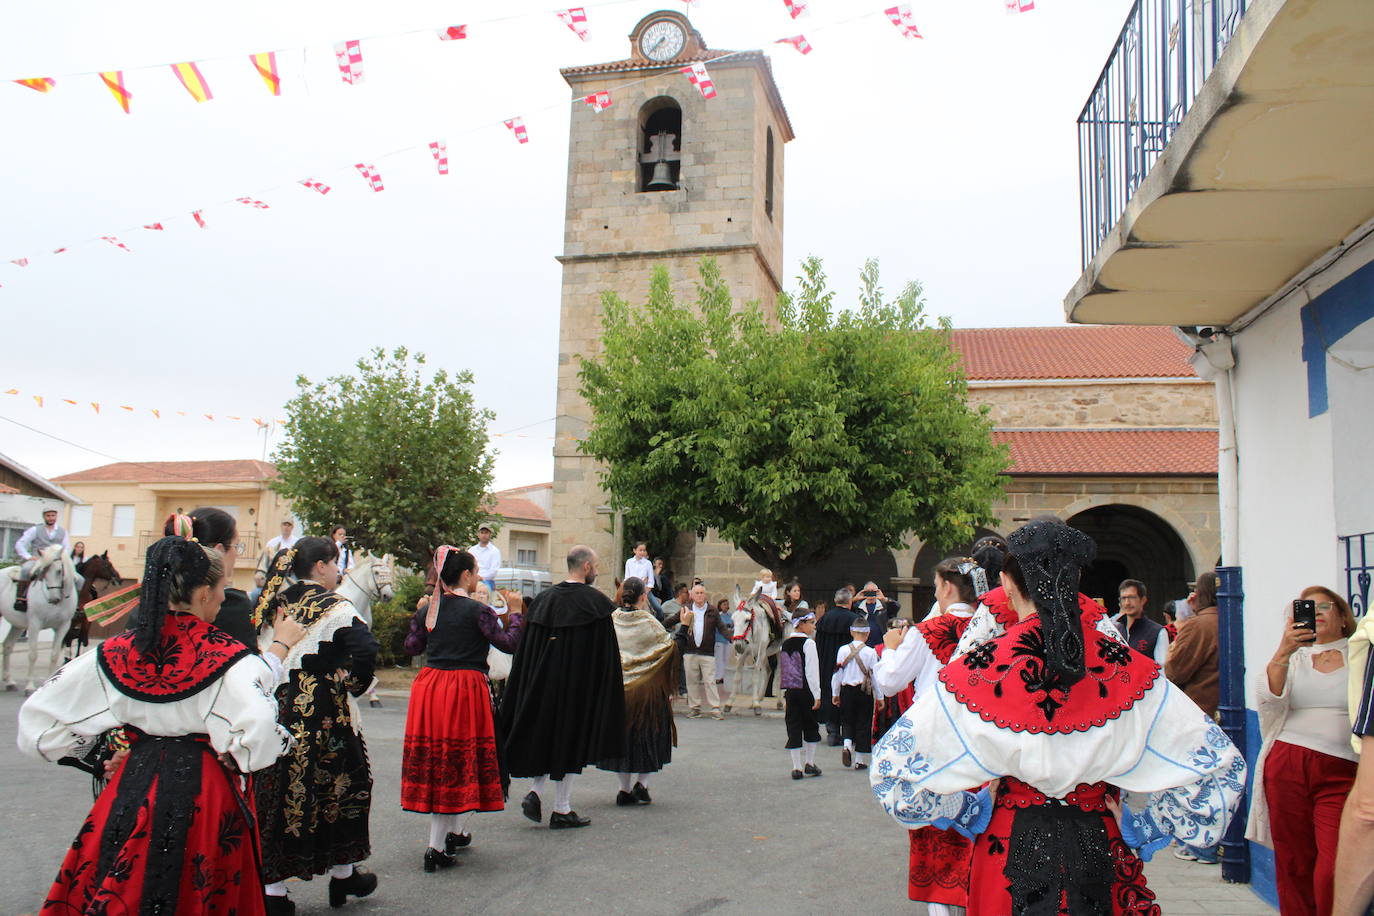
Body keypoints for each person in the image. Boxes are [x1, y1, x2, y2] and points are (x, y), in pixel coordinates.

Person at [872, 518, 1246, 915]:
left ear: (1007, 581)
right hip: (1100, 839)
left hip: (1006, 847)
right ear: (1077, 578)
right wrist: (1149, 825)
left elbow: (892, 774)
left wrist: (965, 809)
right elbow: (1221, 769)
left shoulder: (977, 665)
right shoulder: (1123, 663)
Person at [19, 535, 304, 915]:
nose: (223, 598)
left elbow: (39, 725)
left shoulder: (113, 652)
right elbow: (260, 737)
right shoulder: (233, 659)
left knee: (121, 888)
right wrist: (236, 758)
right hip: (205, 793)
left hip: (132, 785)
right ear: (204, 593)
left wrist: (109, 751)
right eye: (221, 589)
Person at [254, 537, 381, 914]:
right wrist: (351, 685)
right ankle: (343, 874)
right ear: (322, 566)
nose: (339, 570)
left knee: (280, 792)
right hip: (323, 710)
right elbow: (367, 649)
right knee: (343, 785)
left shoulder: (275, 602)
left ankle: (275, 893)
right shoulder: (334, 605)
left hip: (276, 703)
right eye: (335, 563)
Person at [874, 556, 988, 916]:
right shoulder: (994, 629)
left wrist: (891, 648)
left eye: (937, 586)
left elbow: (889, 681)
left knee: (937, 832)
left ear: (948, 587)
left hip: (936, 745)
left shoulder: (929, 631)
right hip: (983, 747)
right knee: (979, 834)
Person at [401, 546, 523, 872]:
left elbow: (412, 647)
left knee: (439, 763)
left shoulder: (430, 611)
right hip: (463, 690)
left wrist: (419, 617)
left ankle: (448, 837)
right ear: (466, 575)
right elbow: (509, 644)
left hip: (430, 688)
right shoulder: (477, 611)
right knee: (456, 762)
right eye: (476, 571)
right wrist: (516, 614)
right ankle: (437, 845)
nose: (479, 576)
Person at [1244, 587, 1356, 915]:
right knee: (1294, 861)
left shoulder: (1358, 653)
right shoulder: (1292, 656)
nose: (1317, 612)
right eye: (1308, 608)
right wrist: (1284, 650)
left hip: (1342, 769)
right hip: (1288, 764)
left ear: (1342, 616)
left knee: (1333, 865)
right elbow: (1269, 698)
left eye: (1325, 606)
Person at [500, 545, 626, 829]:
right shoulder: (595, 604)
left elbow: (526, 652)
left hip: (543, 684)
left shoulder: (544, 601)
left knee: (546, 735)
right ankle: (561, 808)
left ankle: (536, 791)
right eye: (594, 565)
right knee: (570, 743)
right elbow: (605, 656)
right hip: (577, 688)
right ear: (585, 567)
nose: (596, 570)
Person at [598, 576, 677, 805]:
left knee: (622, 739)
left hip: (618, 691)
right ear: (643, 597)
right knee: (649, 737)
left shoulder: (611, 619)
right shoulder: (648, 621)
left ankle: (623, 789)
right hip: (646, 690)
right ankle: (642, 784)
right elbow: (668, 648)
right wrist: (685, 626)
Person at [1164, 570, 1222, 863]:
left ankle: (1201, 845)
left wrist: (1182, 627)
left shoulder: (1199, 626)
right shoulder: (1230, 619)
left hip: (1198, 711)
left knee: (1196, 785)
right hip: (1218, 710)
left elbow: (1174, 671)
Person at [665, 584, 731, 719]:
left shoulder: (712, 611)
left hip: (707, 652)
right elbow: (672, 620)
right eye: (697, 593)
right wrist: (658, 625)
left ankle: (715, 708)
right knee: (691, 680)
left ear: (705, 595)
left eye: (702, 593)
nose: (700, 595)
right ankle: (695, 708)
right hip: (690, 651)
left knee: (710, 681)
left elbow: (722, 628)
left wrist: (732, 638)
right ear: (692, 595)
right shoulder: (686, 609)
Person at [780, 607, 823, 779]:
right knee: (810, 725)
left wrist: (785, 694)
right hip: (806, 690)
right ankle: (810, 763)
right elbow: (812, 671)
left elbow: (785, 670)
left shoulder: (785, 643)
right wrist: (817, 694)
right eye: (811, 623)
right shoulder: (809, 643)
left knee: (794, 725)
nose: (813, 627)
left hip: (791, 689)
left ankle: (796, 766)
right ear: (802, 624)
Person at [832, 617, 879, 769]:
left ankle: (846, 745)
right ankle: (859, 759)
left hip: (846, 689)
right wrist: (880, 697)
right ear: (868, 634)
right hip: (864, 691)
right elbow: (875, 677)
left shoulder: (843, 650)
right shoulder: (871, 652)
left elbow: (837, 674)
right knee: (864, 722)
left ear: (852, 632)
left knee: (847, 719)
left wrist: (835, 692)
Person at [815, 586, 858, 744]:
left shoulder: (825, 619)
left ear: (835, 601)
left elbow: (818, 644)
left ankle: (832, 732)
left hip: (827, 664)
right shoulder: (854, 619)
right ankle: (848, 734)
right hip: (848, 666)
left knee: (829, 694)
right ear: (850, 601)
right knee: (847, 696)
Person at [13, 508, 69, 612]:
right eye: (48, 516)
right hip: (38, 559)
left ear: (56, 517)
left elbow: (66, 548)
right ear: (44, 517)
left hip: (55, 561)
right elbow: (20, 544)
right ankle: (21, 598)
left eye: (53, 515)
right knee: (26, 570)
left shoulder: (63, 532)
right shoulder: (35, 530)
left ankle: (74, 605)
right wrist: (28, 556)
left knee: (78, 578)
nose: (51, 518)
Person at [1113, 578, 1169, 664]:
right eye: (1123, 598)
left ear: (1143, 600)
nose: (1127, 603)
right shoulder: (1114, 631)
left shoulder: (1157, 632)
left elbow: (1162, 669)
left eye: (1132, 597)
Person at [854, 580, 898, 648]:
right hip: (863, 644)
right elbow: (845, 607)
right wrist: (855, 599)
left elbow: (896, 607)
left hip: (881, 643)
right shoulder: (857, 607)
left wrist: (884, 599)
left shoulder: (884, 607)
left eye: (873, 591)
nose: (871, 593)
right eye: (868, 591)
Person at [470, 525, 501, 593]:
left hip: (487, 582)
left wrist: (481, 578)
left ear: (490, 535)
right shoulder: (472, 550)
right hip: (473, 581)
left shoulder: (495, 551)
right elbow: (468, 566)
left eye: (486, 533)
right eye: (482, 532)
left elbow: (494, 570)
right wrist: (475, 577)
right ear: (478, 534)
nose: (484, 535)